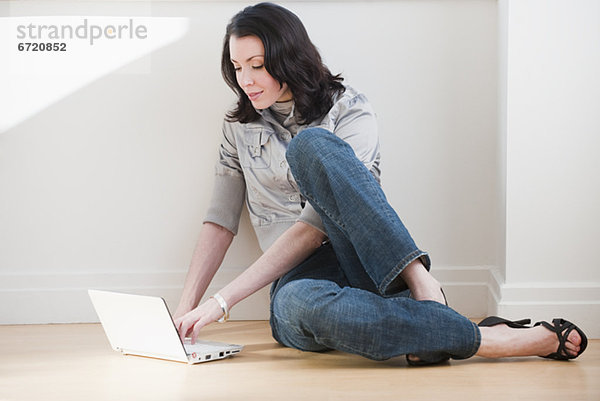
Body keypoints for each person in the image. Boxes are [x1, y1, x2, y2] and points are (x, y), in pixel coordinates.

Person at [174, 2, 587, 364]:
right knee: (298, 306)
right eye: (237, 66)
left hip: (367, 258)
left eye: (258, 65)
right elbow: (220, 220)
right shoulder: (238, 127)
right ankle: (466, 331)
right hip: (297, 278)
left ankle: (428, 291)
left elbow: (314, 226)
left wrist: (222, 301)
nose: (245, 79)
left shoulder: (349, 109)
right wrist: (187, 310)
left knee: (312, 145)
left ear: (288, 56)